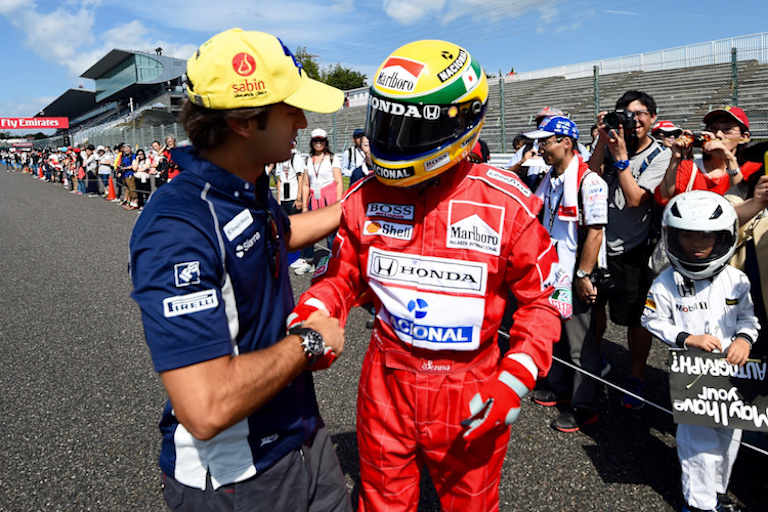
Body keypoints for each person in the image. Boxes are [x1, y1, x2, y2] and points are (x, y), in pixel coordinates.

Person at [288, 40, 560, 511]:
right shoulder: (365, 195)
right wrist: (312, 311)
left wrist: (514, 377)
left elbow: (544, 302)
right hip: (386, 382)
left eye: (408, 126)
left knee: (470, 504)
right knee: (381, 502)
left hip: (472, 383)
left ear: (460, 121)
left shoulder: (507, 203)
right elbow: (341, 277)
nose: (391, 137)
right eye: (386, 121)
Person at [129, 28, 351, 511]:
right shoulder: (177, 229)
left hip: (302, 437)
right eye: (290, 108)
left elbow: (278, 233)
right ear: (246, 123)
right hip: (238, 479)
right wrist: (309, 342)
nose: (302, 120)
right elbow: (205, 407)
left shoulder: (242, 186)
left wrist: (354, 207)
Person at [641, 191, 759, 512]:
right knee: (697, 443)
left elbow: (749, 318)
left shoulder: (737, 280)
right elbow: (650, 319)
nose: (696, 244)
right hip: (691, 375)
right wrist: (685, 338)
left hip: (732, 375)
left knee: (729, 437)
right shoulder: (666, 282)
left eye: (706, 236)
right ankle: (698, 504)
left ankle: (715, 493)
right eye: (687, 236)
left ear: (724, 237)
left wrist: (744, 340)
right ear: (673, 237)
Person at [588, 90, 671, 409]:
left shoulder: (659, 155)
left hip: (634, 249)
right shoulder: (608, 145)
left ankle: (636, 376)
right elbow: (589, 178)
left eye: (639, 114)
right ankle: (594, 363)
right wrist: (601, 141)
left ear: (651, 118)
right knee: (593, 310)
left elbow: (637, 199)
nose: (632, 120)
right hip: (599, 246)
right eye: (625, 114)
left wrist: (621, 158)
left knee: (636, 319)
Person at [525, 116, 608, 432]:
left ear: (567, 143)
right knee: (555, 333)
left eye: (545, 141)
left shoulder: (590, 181)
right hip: (551, 269)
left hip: (574, 271)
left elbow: (596, 233)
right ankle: (559, 387)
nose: (540, 147)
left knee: (580, 344)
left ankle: (584, 405)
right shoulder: (550, 176)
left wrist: (584, 275)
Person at [300, 127, 342, 254]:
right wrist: (304, 206)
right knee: (310, 229)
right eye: (315, 140)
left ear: (326, 141)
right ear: (312, 142)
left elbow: (339, 181)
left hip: (329, 198)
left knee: (330, 231)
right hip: (314, 199)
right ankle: (307, 259)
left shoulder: (332, 158)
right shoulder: (307, 159)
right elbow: (306, 184)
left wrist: (339, 203)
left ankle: (333, 257)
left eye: (321, 140)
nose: (318, 143)